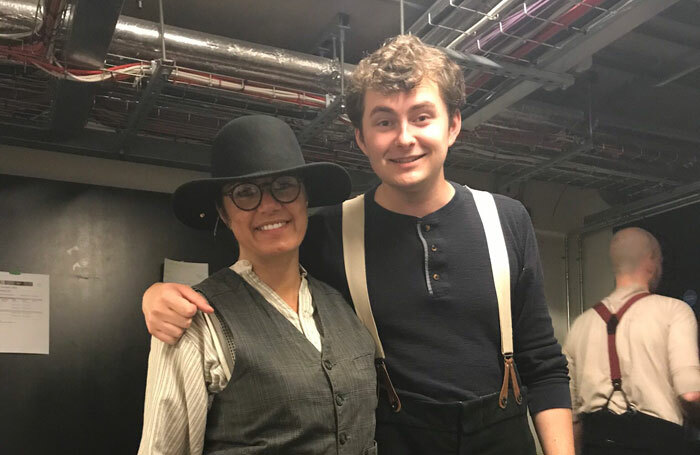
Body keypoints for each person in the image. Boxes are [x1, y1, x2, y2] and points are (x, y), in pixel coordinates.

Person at [142, 35, 574, 454]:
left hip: (502, 437)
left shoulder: (507, 219)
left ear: (453, 125)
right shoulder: (328, 230)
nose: (405, 137)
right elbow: (252, 275)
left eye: (422, 117)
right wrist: (156, 295)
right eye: (385, 121)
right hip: (394, 439)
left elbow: (542, 361)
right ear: (362, 138)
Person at [138, 115, 378, 455]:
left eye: (284, 186)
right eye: (245, 193)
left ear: (304, 198)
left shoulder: (344, 302)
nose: (268, 205)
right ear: (223, 213)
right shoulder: (196, 320)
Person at [563, 227, 700, 454]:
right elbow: (691, 394)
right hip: (659, 444)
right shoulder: (674, 311)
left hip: (596, 444)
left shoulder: (580, 325)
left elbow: (571, 418)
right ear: (652, 260)